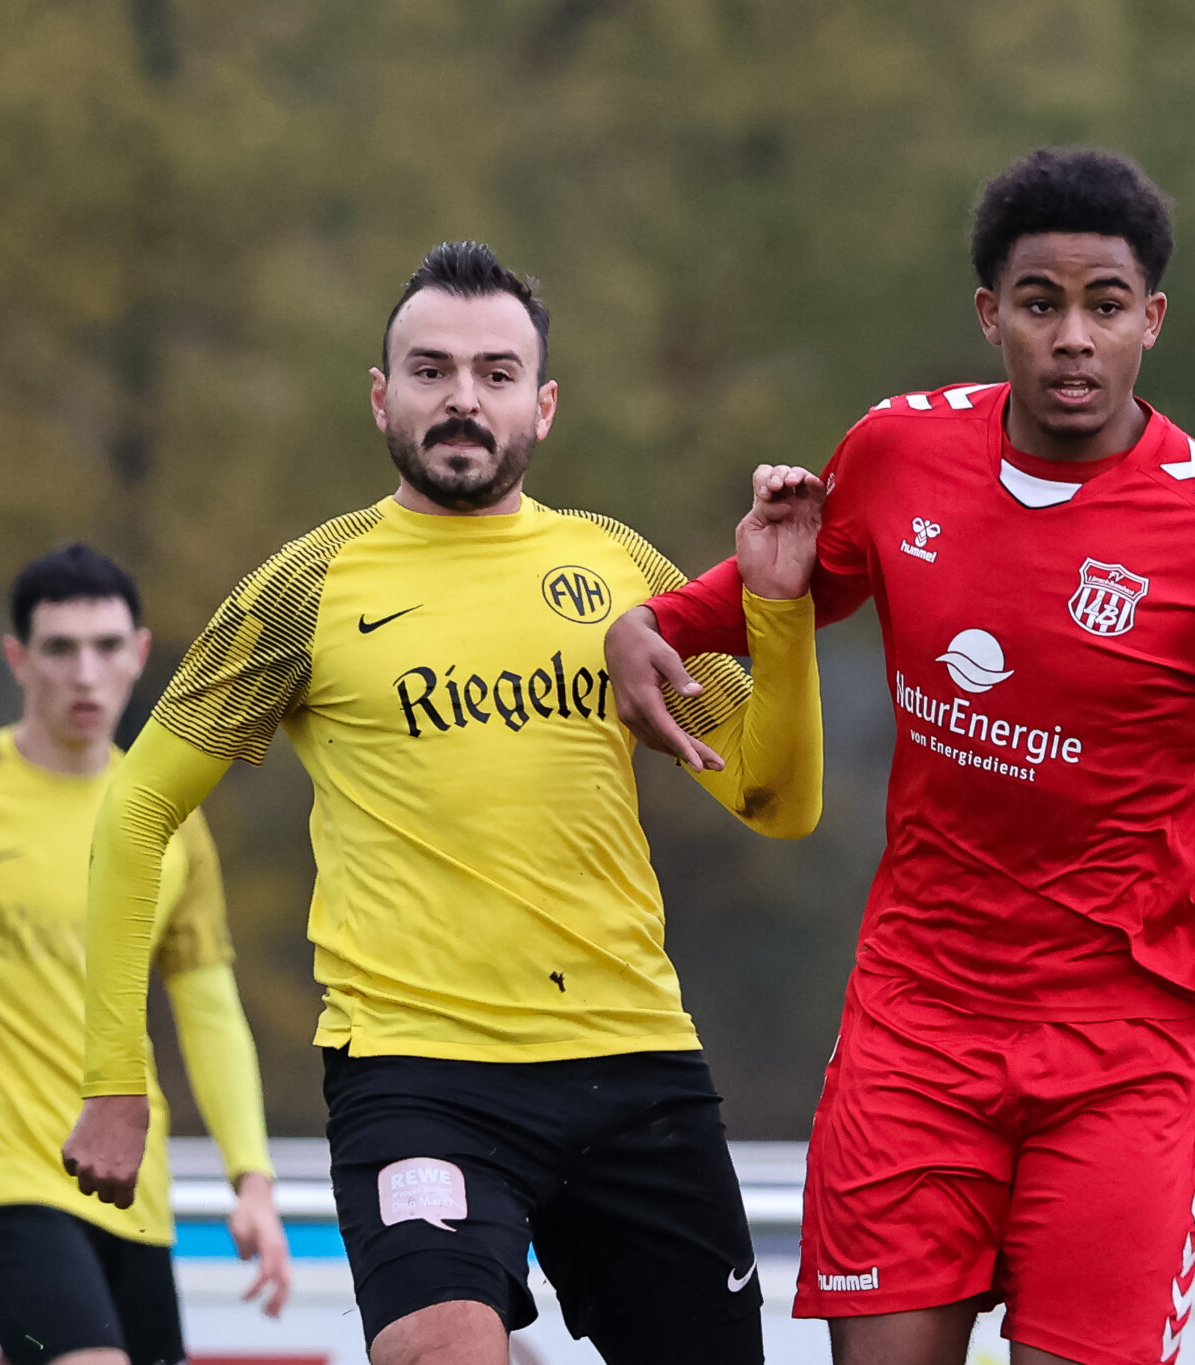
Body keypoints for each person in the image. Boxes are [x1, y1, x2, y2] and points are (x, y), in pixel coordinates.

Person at [604, 148, 1195, 1365]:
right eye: (1040, 304)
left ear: (1150, 322)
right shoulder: (898, 451)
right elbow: (804, 576)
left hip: (1124, 1049)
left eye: (1104, 307)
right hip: (916, 1026)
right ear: (990, 316)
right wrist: (657, 622)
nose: (1072, 337)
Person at [59, 240, 824, 1365]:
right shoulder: (302, 589)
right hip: (418, 1072)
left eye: (495, 373)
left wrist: (779, 612)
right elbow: (133, 813)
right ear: (381, 395)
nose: (462, 397)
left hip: (631, 1056)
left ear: (543, 405)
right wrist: (116, 1081)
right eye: (429, 369)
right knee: (438, 1348)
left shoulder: (616, 569)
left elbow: (776, 799)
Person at [0, 544, 288, 1365]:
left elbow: (209, 1005)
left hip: (132, 1188)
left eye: (106, 646)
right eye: (59, 647)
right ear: (18, 658)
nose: (85, 672)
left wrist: (252, 1179)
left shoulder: (170, 821)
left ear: (141, 654)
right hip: (0, 1177)